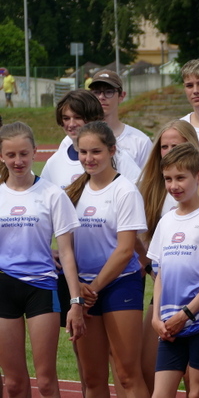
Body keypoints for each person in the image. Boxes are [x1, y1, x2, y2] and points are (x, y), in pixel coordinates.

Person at [137, 119, 199, 394]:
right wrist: (156, 318)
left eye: (180, 178)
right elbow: (160, 273)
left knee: (197, 390)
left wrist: (187, 313)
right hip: (168, 323)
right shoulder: (167, 221)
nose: (174, 185)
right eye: (168, 179)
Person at [64, 121, 150, 398]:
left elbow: (126, 250)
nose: (89, 158)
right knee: (92, 377)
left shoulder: (125, 191)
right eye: (83, 152)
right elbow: (66, 246)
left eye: (96, 151)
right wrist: (78, 287)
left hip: (119, 285)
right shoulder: (74, 191)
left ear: (112, 150)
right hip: (84, 289)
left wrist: (93, 288)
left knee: (127, 374)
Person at [0, 122, 84, 398]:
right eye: (11, 155)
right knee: (13, 384)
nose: (18, 161)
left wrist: (75, 301)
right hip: (4, 288)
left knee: (46, 382)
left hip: (41, 288)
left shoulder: (52, 194)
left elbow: (66, 252)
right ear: (1, 156)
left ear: (35, 152)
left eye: (24, 153)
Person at [41, 90, 141, 189]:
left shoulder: (118, 158)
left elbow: (140, 191)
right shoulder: (54, 162)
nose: (71, 124)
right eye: (66, 118)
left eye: (78, 117)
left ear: (93, 118)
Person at [85, 70, 153, 166]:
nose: (101, 97)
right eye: (96, 92)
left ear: (121, 96)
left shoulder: (141, 142)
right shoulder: (77, 139)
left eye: (109, 92)